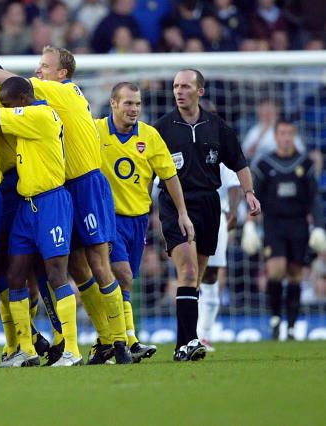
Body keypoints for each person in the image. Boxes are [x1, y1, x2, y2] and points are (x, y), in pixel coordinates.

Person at [0, 45, 132, 365]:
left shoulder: (53, 99)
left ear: (62, 74)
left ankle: (118, 340)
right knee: (55, 269)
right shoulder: (39, 105)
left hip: (74, 186)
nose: (38, 70)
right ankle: (37, 346)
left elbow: (9, 86)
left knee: (91, 266)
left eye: (44, 65)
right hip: (40, 197)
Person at [153, 69, 261, 362]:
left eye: (186, 86)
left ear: (199, 91)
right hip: (175, 204)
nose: (179, 91)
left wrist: (249, 193)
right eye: (176, 86)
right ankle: (187, 342)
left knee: (197, 277)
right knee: (186, 272)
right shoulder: (162, 127)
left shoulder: (216, 126)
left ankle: (184, 342)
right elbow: (145, 169)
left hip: (209, 204)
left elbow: (239, 162)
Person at [0, 76, 82, 367]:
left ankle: (72, 348)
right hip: (27, 204)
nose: (7, 111)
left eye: (10, 105)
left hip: (51, 202)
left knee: (57, 273)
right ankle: (25, 349)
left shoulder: (39, 114)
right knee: (15, 274)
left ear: (23, 100)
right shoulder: (29, 114)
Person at [95, 82, 194, 363]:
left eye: (137, 104)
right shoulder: (96, 130)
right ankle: (129, 340)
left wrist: (183, 213)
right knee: (122, 274)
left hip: (138, 220)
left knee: (125, 284)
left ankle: (109, 341)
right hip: (107, 217)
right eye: (128, 103)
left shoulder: (149, 136)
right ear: (113, 104)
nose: (134, 109)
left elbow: (170, 177)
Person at [245, 120, 326, 340]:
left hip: (298, 224)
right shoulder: (264, 164)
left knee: (295, 274)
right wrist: (250, 224)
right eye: (282, 133)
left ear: (294, 135)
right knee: (276, 269)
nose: (286, 138)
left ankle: (290, 326)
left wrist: (319, 226)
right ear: (276, 136)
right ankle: (275, 318)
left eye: (290, 133)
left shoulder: (305, 164)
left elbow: (314, 199)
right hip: (274, 224)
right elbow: (254, 196)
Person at [197, 164, 240, 351]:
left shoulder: (218, 147)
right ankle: (189, 336)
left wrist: (234, 210)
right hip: (185, 213)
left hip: (217, 215)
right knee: (190, 274)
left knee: (211, 274)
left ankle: (203, 335)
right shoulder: (180, 142)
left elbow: (234, 183)